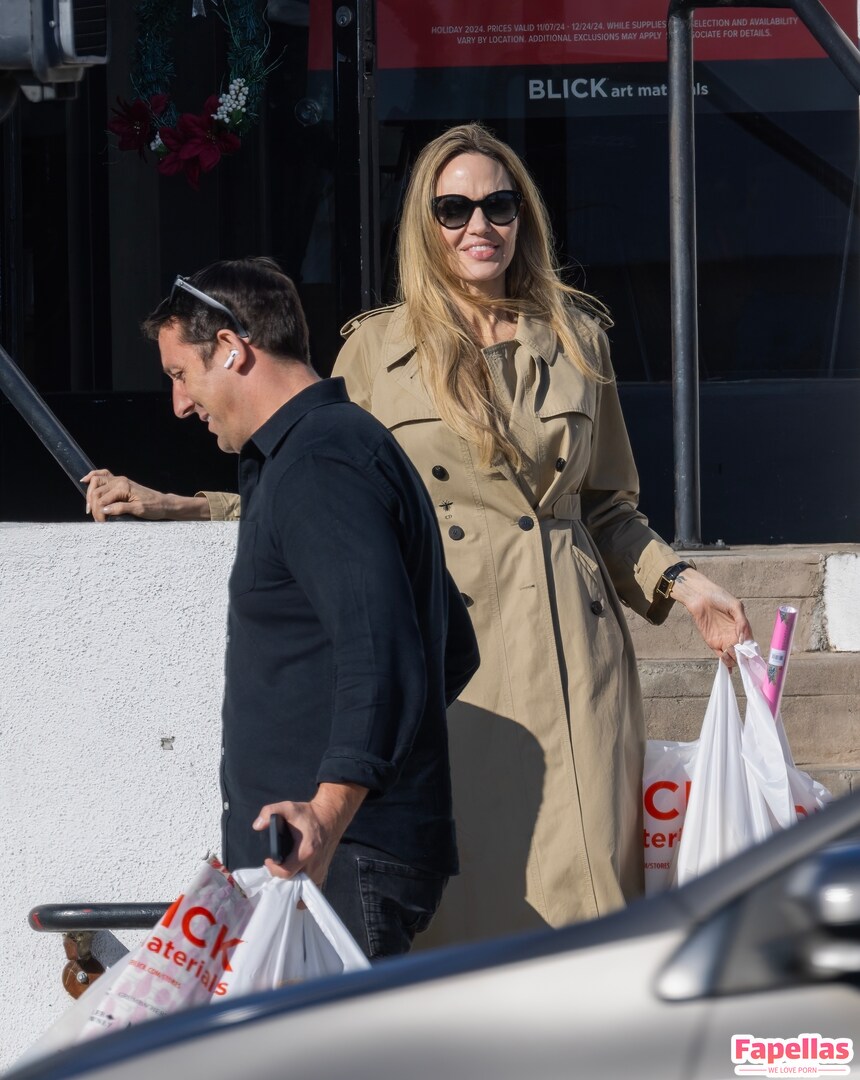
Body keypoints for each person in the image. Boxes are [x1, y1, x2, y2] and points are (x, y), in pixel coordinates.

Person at [85, 124, 752, 945]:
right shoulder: (376, 347)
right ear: (425, 225)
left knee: (578, 903)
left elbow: (608, 507)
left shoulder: (578, 337)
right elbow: (325, 487)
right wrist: (181, 505)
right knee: (465, 915)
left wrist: (684, 583)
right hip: (456, 659)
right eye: (454, 209)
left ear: (523, 215)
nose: (480, 226)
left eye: (499, 204)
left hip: (570, 661)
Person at [138, 256, 480, 960]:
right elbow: (448, 651)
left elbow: (382, 656)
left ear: (231, 348)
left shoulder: (320, 461)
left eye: (180, 374)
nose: (179, 404)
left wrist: (328, 811)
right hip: (328, 859)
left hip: (333, 861)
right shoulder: (318, 452)